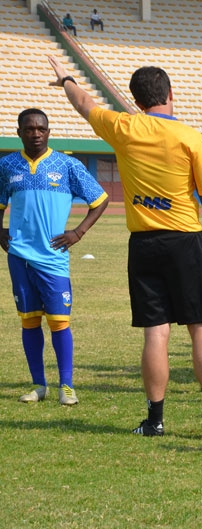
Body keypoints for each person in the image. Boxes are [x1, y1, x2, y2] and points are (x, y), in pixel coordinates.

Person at [48, 55, 202, 438]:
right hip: (184, 241)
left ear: (136, 101)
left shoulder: (123, 127)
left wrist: (67, 79)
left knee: (155, 332)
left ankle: (154, 420)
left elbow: (84, 104)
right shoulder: (190, 137)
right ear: (171, 94)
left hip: (143, 244)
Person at [0, 109, 108, 406]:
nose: (36, 133)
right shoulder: (7, 166)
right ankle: (38, 385)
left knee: (59, 321)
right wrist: (0, 232)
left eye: (41, 129)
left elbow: (99, 200)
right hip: (20, 257)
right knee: (29, 321)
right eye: (30, 129)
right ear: (19, 132)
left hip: (53, 258)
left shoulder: (68, 165)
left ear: (49, 132)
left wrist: (78, 232)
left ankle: (67, 385)